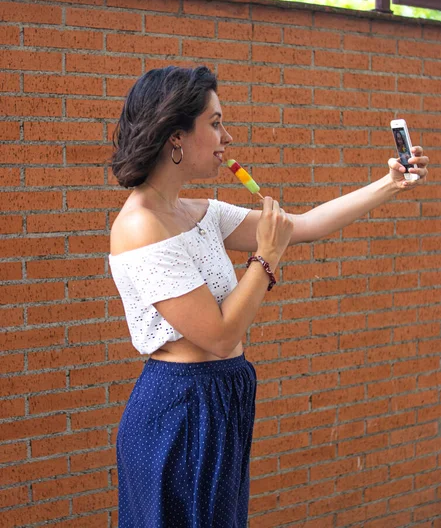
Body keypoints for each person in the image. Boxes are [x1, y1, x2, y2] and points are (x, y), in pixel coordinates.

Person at [109, 65, 429, 528]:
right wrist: (264, 259)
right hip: (179, 413)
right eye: (215, 123)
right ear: (175, 136)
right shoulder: (141, 226)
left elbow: (305, 225)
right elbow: (219, 336)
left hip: (221, 399)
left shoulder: (199, 212)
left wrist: (391, 183)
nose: (227, 136)